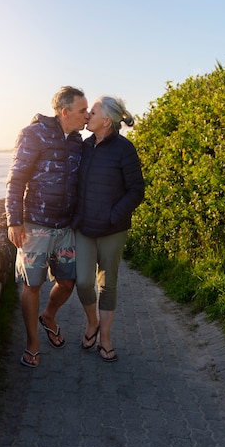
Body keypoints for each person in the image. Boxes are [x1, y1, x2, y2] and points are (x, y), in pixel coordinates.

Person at [6, 86, 89, 368]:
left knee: (67, 282)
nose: (87, 115)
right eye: (82, 110)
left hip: (65, 228)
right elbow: (16, 179)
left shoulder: (79, 141)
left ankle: (49, 316)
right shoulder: (34, 134)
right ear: (65, 112)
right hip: (35, 227)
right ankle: (33, 343)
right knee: (33, 285)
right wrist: (14, 221)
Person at [72, 95, 144, 362]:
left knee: (108, 285)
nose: (87, 116)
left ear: (107, 120)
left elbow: (137, 191)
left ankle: (105, 338)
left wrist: (114, 215)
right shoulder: (84, 146)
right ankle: (93, 322)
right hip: (85, 228)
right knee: (83, 282)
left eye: (92, 112)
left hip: (113, 229)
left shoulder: (125, 149)